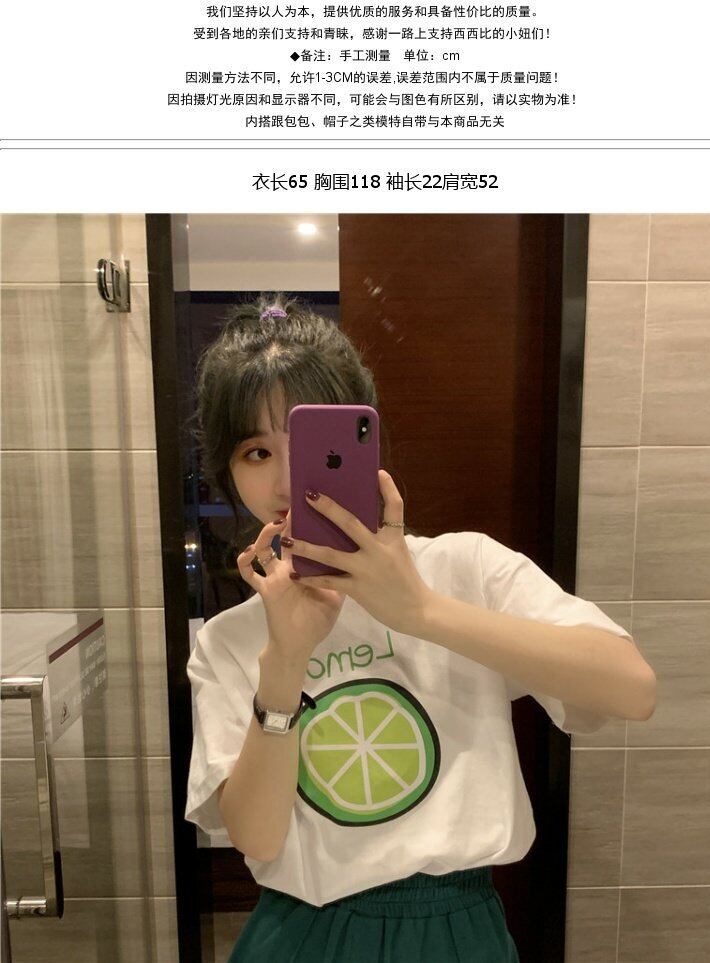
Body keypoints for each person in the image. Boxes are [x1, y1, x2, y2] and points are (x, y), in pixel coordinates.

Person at [184, 292, 654, 962]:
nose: (288, 481)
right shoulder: (229, 639)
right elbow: (257, 838)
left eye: (310, 445)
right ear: (228, 473)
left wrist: (421, 612)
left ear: (365, 441)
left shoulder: (466, 568)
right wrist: (284, 660)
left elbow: (632, 688)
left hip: (457, 930)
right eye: (256, 452)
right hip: (300, 935)